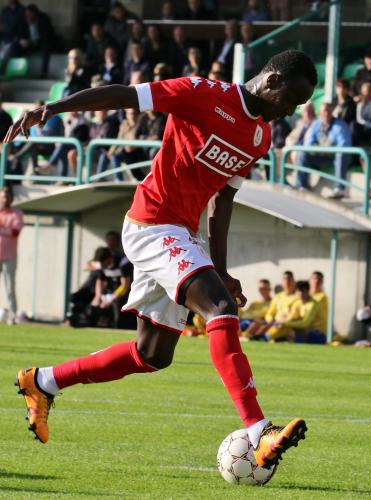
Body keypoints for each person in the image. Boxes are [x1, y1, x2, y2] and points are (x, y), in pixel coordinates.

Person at [6, 49, 316, 468]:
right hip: (152, 222)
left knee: (151, 355)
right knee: (219, 310)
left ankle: (43, 382)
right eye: (290, 101)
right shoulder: (201, 92)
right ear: (273, 80)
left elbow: (222, 201)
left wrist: (220, 268)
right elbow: (124, 95)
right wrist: (53, 108)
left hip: (182, 235)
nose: (289, 111)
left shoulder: (260, 137)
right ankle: (259, 429)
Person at [296, 101, 352, 198]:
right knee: (302, 154)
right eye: (323, 111)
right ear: (320, 113)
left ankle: (339, 189)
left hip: (335, 157)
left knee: (340, 154)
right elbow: (309, 144)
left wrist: (326, 150)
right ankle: (302, 186)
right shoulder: (316, 124)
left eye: (328, 111)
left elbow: (344, 145)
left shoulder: (340, 125)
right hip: (321, 156)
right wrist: (319, 150)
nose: (326, 113)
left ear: (332, 112)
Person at [0, 186, 22, 325]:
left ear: (12, 198)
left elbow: (15, 232)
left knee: (9, 287)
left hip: (9, 256)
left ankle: (12, 317)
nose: (5, 199)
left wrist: (1, 229)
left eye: (7, 196)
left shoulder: (17, 214)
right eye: (3, 196)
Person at [19, 4, 54, 78]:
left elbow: (47, 36)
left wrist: (34, 41)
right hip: (29, 44)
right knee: (16, 46)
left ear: (35, 14)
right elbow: (20, 34)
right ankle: (19, 71)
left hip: (41, 43)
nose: (28, 17)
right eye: (27, 15)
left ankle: (44, 73)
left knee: (46, 47)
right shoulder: (24, 21)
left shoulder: (43, 20)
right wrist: (23, 41)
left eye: (30, 15)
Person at [308, 271, 328, 336]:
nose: (316, 281)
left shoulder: (323, 297)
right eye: (314, 278)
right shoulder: (302, 295)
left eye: (319, 279)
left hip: (317, 331)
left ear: (322, 282)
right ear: (310, 280)